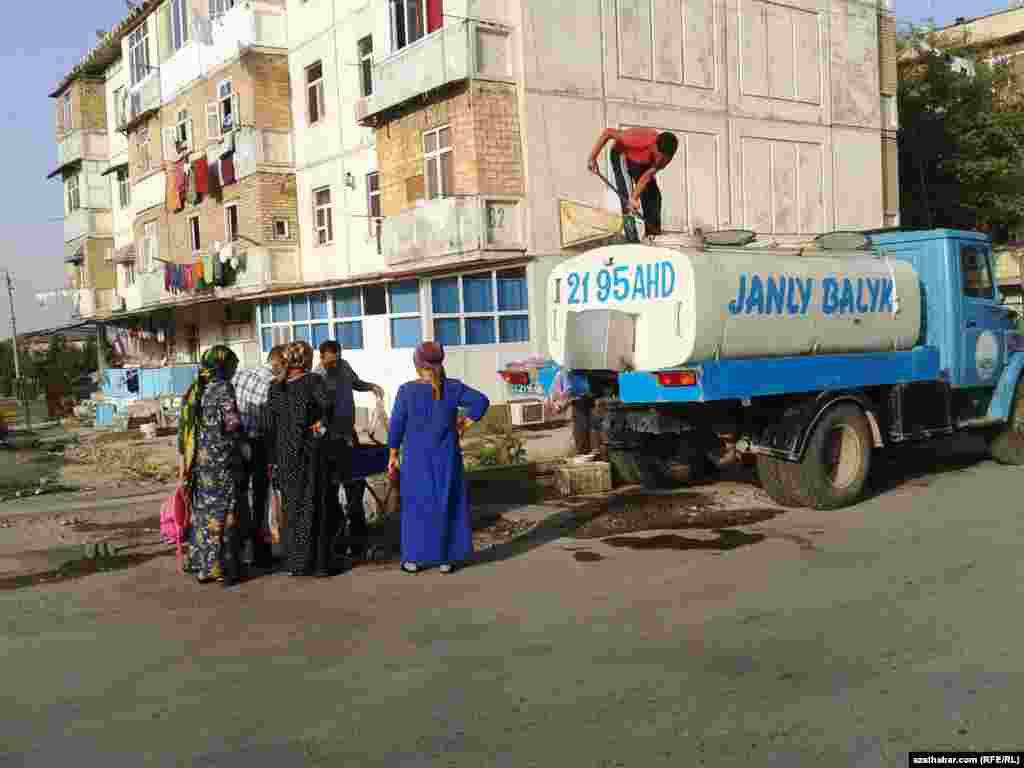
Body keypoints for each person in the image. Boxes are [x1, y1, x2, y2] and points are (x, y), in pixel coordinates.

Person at [387, 341, 489, 574]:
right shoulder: (453, 387)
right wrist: (466, 423)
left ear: (416, 364)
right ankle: (447, 559)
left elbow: (396, 426)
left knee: (416, 507)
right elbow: (481, 401)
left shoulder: (407, 391)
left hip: (416, 459)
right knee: (447, 504)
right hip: (447, 458)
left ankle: (414, 559)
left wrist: (393, 453)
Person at [265, 340, 335, 577]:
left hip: (284, 457)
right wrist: (320, 430)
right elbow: (328, 410)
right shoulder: (313, 381)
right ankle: (318, 564)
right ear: (305, 359)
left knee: (291, 507)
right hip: (309, 454)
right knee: (314, 505)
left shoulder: (275, 387)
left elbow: (269, 426)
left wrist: (271, 460)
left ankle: (296, 563)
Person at [178, 345, 243, 586]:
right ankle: (220, 567)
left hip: (202, 460)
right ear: (224, 366)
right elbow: (232, 423)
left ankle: (203, 565)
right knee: (223, 512)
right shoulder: (223, 388)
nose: (235, 369)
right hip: (221, 461)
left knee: (204, 512)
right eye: (233, 365)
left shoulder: (199, 388)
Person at [314, 339, 384, 560]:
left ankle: (358, 539)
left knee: (356, 484)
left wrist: (371, 386)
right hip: (331, 440)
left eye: (337, 360)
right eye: (330, 362)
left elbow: (356, 383)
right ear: (322, 358)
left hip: (348, 434)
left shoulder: (344, 366)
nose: (334, 365)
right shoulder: (319, 377)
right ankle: (337, 540)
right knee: (334, 490)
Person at [230, 344, 287, 571]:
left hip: (238, 442)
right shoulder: (272, 385)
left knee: (241, 496)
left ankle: (240, 548)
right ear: (279, 363)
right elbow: (274, 421)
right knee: (261, 500)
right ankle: (260, 552)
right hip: (258, 445)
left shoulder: (243, 373)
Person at [587, 127, 679, 241]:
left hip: (641, 163)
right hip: (622, 155)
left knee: (653, 197)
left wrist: (634, 198)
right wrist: (592, 158)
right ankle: (632, 240)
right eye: (659, 155)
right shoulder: (638, 138)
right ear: (654, 145)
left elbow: (646, 177)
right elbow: (608, 133)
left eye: (664, 158)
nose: (660, 160)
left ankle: (652, 238)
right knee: (627, 200)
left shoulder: (664, 159)